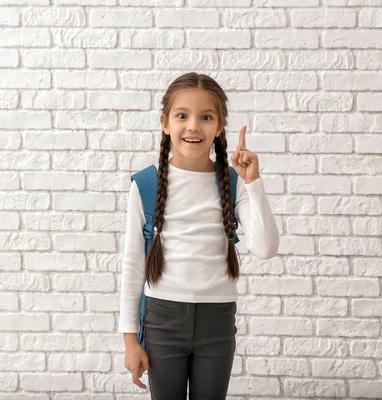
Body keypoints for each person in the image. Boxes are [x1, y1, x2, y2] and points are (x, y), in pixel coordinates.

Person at [119, 72, 280, 400]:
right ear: (165, 123)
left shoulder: (234, 184)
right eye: (182, 116)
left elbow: (265, 248)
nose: (193, 126)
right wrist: (130, 340)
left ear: (219, 127)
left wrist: (253, 181)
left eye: (206, 117)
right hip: (162, 319)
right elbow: (132, 266)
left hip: (217, 321)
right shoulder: (145, 185)